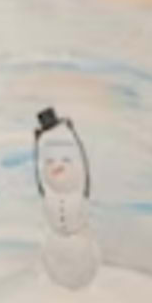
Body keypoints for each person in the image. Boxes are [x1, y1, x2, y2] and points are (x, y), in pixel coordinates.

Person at [32, 105, 101, 292]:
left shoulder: (79, 189)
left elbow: (83, 163)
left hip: (82, 254)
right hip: (56, 254)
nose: (57, 166)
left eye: (65, 160)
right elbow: (39, 173)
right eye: (50, 162)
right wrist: (37, 144)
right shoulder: (48, 192)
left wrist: (72, 131)